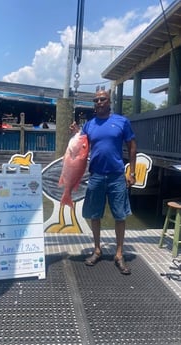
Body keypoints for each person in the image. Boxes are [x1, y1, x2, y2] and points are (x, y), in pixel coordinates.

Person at [71, 89, 137, 275]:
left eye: (102, 99)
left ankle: (119, 253)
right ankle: (97, 249)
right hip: (96, 175)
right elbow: (79, 144)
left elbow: (132, 147)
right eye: (96, 99)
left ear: (109, 101)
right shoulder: (89, 125)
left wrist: (131, 172)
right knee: (94, 214)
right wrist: (77, 132)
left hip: (117, 175)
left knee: (120, 215)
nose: (99, 102)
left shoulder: (122, 121)